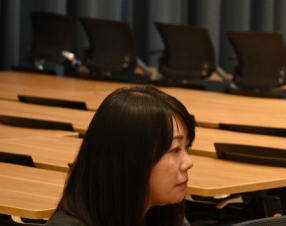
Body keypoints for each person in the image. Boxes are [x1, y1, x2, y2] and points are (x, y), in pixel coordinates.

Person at [45, 85, 195, 226]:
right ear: (129, 159)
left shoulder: (167, 217)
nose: (188, 162)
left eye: (187, 147)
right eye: (175, 149)